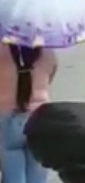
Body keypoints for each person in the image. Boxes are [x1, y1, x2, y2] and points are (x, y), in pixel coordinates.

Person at [0, 44, 57, 183]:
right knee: (37, 175)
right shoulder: (48, 52)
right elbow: (49, 78)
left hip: (8, 117)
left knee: (13, 176)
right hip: (41, 117)